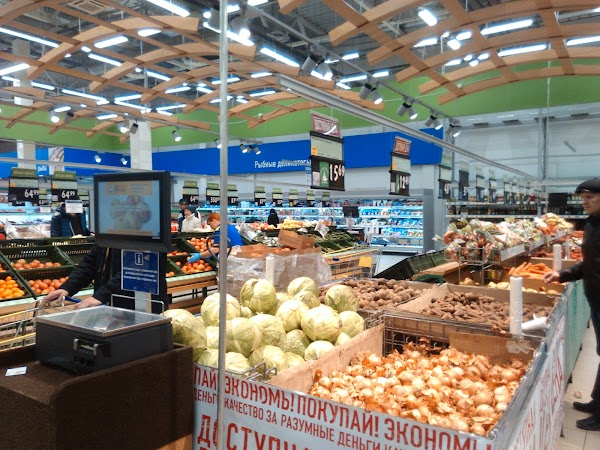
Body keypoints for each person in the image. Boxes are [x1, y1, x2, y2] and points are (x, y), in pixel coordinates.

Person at [544, 178, 600, 431]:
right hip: (595, 296)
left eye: (590, 197)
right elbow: (590, 263)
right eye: (583, 198)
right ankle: (597, 402)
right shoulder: (592, 223)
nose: (584, 202)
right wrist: (563, 274)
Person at [41, 244, 122, 309]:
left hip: (125, 307)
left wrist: (101, 296)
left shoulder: (128, 235)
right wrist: (67, 287)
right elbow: (90, 264)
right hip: (105, 308)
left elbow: (127, 272)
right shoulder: (105, 236)